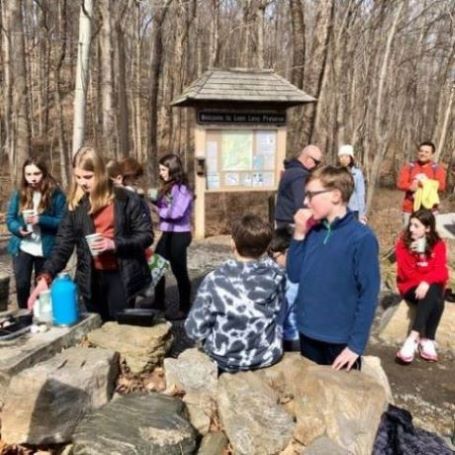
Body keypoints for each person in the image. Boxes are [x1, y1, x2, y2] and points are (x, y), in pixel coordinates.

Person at [27, 146, 153, 321]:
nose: (82, 182)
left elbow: (146, 235)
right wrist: (45, 277)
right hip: (91, 278)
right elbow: (63, 244)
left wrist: (114, 244)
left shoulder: (126, 199)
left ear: (100, 173)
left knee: (120, 328)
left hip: (122, 274)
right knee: (96, 328)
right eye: (78, 177)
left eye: (88, 177)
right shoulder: (75, 204)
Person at [287, 165, 380, 371]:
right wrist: (299, 234)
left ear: (336, 195)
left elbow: (369, 294)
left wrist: (355, 346)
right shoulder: (312, 231)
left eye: (311, 194)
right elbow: (293, 274)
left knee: (342, 400)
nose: (305, 201)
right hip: (308, 331)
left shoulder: (361, 238)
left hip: (340, 340)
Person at [185, 214, 285, 372]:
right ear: (267, 247)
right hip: (266, 356)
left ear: (233, 243)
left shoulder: (215, 279)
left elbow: (194, 329)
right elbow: (281, 316)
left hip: (224, 359)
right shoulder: (277, 276)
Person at [6, 157, 66, 309]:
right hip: (23, 246)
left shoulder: (56, 194)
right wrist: (18, 229)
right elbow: (10, 218)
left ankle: (40, 316)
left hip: (45, 248)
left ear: (44, 173)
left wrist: (41, 219)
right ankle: (24, 315)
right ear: (24, 175)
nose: (32, 178)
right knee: (22, 285)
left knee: (41, 286)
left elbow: (63, 222)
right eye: (29, 174)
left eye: (36, 174)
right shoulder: (19, 193)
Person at [395, 209, 448, 363]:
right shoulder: (403, 243)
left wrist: (424, 255)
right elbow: (406, 274)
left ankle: (418, 339)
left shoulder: (438, 244)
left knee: (434, 293)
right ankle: (423, 339)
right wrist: (416, 255)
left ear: (428, 228)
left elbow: (442, 272)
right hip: (409, 286)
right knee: (436, 294)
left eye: (416, 226)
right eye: (411, 224)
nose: (411, 229)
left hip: (428, 287)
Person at [151, 153, 193, 320]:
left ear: (172, 169)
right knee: (156, 265)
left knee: (179, 270)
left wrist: (156, 210)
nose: (160, 172)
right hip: (168, 232)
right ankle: (158, 302)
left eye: (163, 169)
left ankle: (184, 308)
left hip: (180, 234)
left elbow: (176, 213)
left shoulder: (183, 188)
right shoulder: (169, 186)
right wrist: (153, 200)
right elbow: (166, 205)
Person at [397, 141, 446, 226]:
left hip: (430, 210)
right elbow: (400, 183)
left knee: (429, 236)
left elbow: (442, 186)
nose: (423, 154)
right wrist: (410, 187)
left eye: (426, 152)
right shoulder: (410, 167)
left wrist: (425, 184)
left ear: (432, 154)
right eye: (421, 151)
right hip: (410, 208)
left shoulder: (437, 169)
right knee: (409, 235)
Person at [274, 145, 323, 228]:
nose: (316, 166)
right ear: (308, 159)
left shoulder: (290, 170)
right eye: (316, 162)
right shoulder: (300, 175)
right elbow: (301, 203)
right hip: (292, 222)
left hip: (283, 219)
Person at [268, 227, 300, 351]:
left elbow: (279, 320)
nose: (272, 261)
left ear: (288, 251)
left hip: (292, 340)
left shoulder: (290, 282)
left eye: (274, 257)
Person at [337, 144, 367, 223]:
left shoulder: (357, 173)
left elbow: (360, 194)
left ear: (351, 158)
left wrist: (361, 214)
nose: (344, 159)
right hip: (338, 209)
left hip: (353, 210)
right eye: (341, 156)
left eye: (346, 156)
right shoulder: (335, 173)